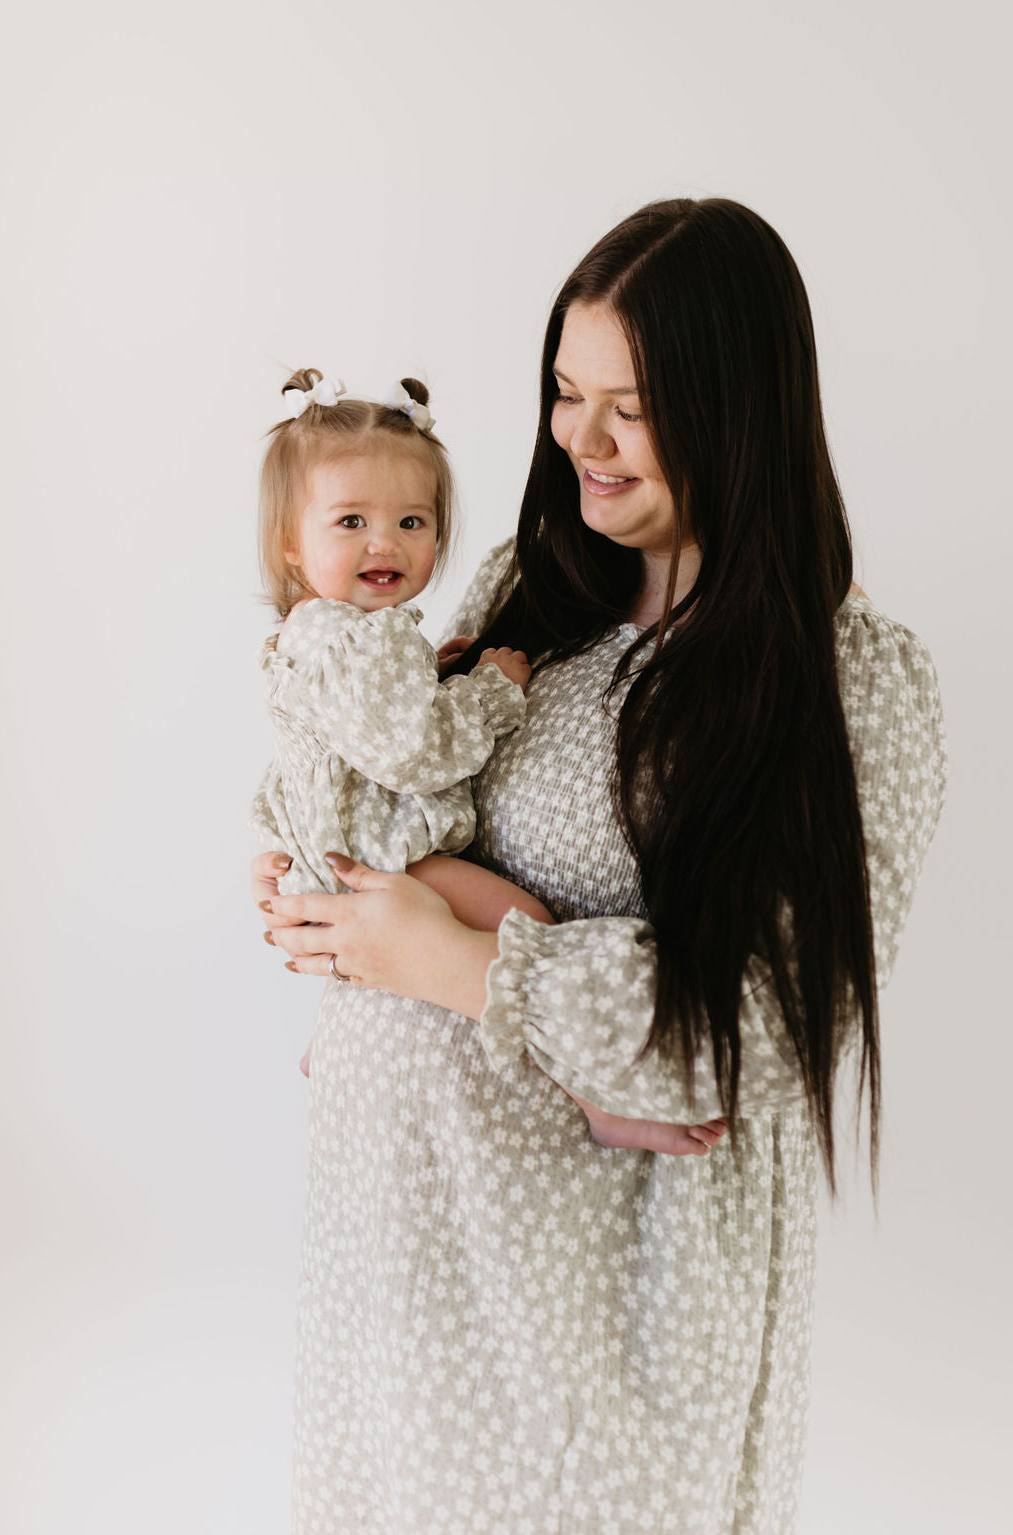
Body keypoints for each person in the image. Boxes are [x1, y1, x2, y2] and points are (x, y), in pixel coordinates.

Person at [252, 199, 948, 1533]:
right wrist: (311, 869)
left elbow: (746, 1035)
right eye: (565, 393)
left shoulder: (849, 681)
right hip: (400, 1277)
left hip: (600, 1334)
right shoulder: (529, 586)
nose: (579, 438)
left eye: (628, 405)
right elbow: (408, 794)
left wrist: (447, 956)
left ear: (740, 408)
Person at [250, 366, 729, 1149]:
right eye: (351, 522)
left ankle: (327, 1040)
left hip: (345, 852)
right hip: (387, 860)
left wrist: (283, 847)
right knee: (528, 924)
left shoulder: (321, 638)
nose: (386, 542)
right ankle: (597, 1096)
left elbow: (311, 755)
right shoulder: (353, 638)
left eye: (413, 521)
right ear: (291, 546)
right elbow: (411, 749)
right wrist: (492, 693)